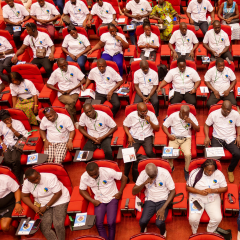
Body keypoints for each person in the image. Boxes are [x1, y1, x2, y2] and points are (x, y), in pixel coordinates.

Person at [79, 162, 127, 240]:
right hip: (98, 200)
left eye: (95, 174)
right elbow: (81, 190)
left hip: (112, 197)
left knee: (111, 223)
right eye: (91, 175)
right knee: (98, 223)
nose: (94, 176)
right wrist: (92, 200)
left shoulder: (108, 171)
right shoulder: (84, 177)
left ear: (98, 169)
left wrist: (120, 192)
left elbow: (124, 178)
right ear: (87, 173)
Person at [21, 168, 70, 240]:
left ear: (38, 173)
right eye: (33, 180)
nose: (36, 181)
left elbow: (58, 193)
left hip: (59, 199)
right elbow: (24, 196)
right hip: (42, 203)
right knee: (44, 227)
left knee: (58, 224)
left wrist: (46, 206)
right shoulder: (26, 183)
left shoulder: (50, 177)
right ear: (28, 180)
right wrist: (34, 207)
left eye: (37, 178)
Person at [132, 163, 175, 236]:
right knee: (142, 222)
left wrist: (163, 208)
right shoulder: (143, 174)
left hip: (163, 199)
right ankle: (143, 229)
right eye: (152, 177)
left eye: (155, 176)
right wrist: (144, 183)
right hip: (150, 199)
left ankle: (163, 232)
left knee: (159, 223)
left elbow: (173, 191)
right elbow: (134, 191)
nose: (154, 178)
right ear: (147, 174)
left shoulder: (165, 173)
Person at [187, 159, 228, 234]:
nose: (211, 172)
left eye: (213, 170)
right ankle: (194, 231)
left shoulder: (219, 174)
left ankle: (210, 231)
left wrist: (213, 190)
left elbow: (225, 188)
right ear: (204, 168)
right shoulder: (195, 173)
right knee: (193, 219)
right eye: (208, 170)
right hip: (197, 198)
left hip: (213, 199)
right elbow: (188, 188)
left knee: (217, 218)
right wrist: (199, 192)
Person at [204, 100, 240, 182]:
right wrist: (206, 137)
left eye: (229, 110)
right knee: (215, 157)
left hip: (230, 138)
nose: (228, 112)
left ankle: (230, 170)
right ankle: (216, 171)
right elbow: (206, 125)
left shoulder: (235, 114)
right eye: (226, 110)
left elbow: (238, 126)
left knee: (238, 154)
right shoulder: (214, 114)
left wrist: (239, 136)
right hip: (217, 138)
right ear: (221, 108)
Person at [123, 102, 159, 182]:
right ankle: (126, 175)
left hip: (147, 136)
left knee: (150, 152)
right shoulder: (132, 115)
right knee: (128, 155)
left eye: (146, 110)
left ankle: (155, 168)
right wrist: (129, 135)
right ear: (138, 111)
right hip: (135, 137)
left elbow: (157, 128)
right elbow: (125, 125)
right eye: (142, 111)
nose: (145, 112)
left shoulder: (151, 114)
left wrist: (150, 121)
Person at [162, 105, 200, 180]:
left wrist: (191, 122)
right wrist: (169, 135)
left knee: (188, 154)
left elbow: (198, 129)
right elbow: (164, 126)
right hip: (174, 138)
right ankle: (171, 167)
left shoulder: (191, 116)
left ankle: (186, 170)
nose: (186, 116)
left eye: (187, 114)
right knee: (169, 153)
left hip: (186, 138)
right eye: (184, 114)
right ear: (180, 112)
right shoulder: (173, 116)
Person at [46, 58, 85, 125]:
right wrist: (59, 90)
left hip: (74, 91)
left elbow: (83, 80)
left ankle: (72, 123)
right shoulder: (56, 72)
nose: (64, 67)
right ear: (58, 66)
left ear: (67, 63)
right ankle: (75, 121)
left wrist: (72, 89)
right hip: (63, 94)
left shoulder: (74, 68)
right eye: (61, 66)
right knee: (71, 102)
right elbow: (48, 84)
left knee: (67, 107)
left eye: (65, 65)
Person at [0, 109, 28, 183]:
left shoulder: (18, 123)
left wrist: (11, 128)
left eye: (7, 119)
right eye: (4, 120)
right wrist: (2, 144)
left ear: (10, 117)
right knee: (7, 161)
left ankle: (17, 179)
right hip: (7, 144)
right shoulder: (0, 124)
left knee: (15, 160)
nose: (6, 121)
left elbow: (21, 136)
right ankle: (17, 174)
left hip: (19, 142)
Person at [0, 173, 23, 240]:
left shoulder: (5, 179)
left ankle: (16, 237)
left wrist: (18, 203)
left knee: (5, 227)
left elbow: (17, 190)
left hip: (8, 204)